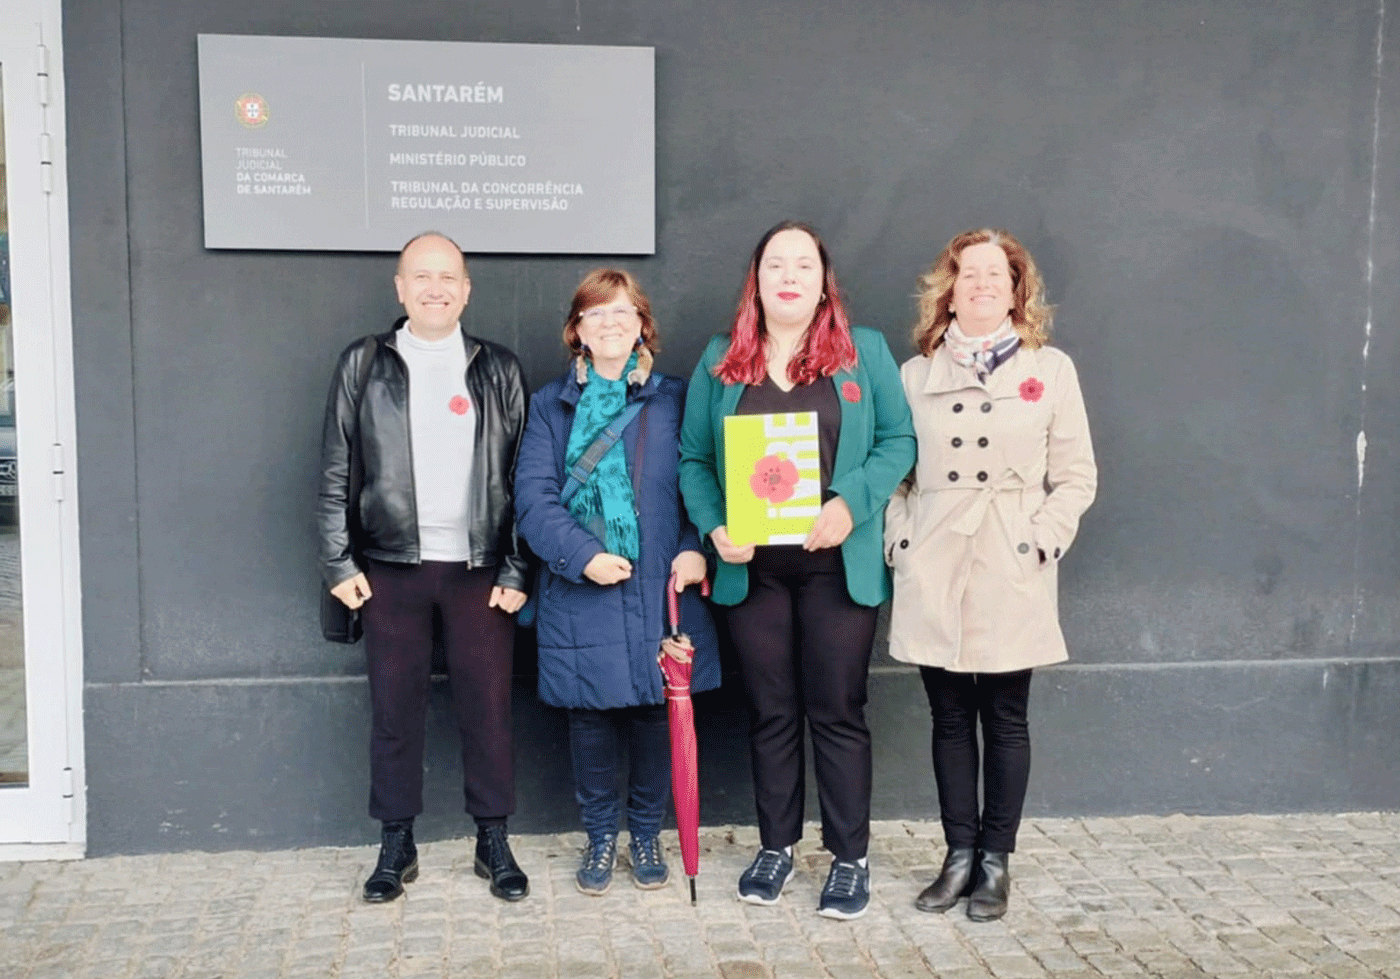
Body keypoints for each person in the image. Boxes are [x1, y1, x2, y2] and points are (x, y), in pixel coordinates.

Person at [679, 221, 915, 919]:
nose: (789, 276)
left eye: (803, 265)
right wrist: (715, 526)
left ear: (823, 281)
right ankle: (776, 846)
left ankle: (849, 858)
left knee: (837, 709)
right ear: (756, 280)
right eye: (775, 264)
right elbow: (694, 459)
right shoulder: (721, 359)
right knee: (771, 711)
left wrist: (851, 503)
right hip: (753, 572)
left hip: (837, 564)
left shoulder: (863, 351)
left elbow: (899, 440)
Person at [885, 228, 1097, 921]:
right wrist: (901, 539)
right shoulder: (914, 375)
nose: (980, 284)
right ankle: (958, 855)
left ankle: (996, 860)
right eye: (968, 274)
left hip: (1010, 555)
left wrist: (1042, 539)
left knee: (1005, 716)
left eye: (995, 275)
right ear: (947, 292)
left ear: (1015, 292)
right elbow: (894, 472)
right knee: (949, 716)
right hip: (936, 556)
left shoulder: (1051, 370)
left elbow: (1076, 475)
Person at [317, 231, 531, 904]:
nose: (435, 288)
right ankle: (395, 843)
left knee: (488, 709)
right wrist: (338, 560)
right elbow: (335, 470)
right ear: (400, 287)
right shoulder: (363, 363)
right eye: (421, 276)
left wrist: (517, 568)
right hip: (389, 568)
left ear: (465, 290)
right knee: (394, 711)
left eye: (447, 277)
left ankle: (493, 839)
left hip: (479, 569)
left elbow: (525, 478)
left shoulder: (498, 368)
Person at [514, 269, 720, 896]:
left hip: (661, 586)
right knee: (591, 719)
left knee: (657, 712)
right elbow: (534, 499)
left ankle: (647, 833)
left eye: (622, 311)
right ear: (577, 330)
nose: (610, 323)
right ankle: (602, 835)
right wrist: (583, 557)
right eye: (596, 313)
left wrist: (695, 548)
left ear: (642, 325)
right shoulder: (550, 405)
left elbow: (703, 478)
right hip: (582, 588)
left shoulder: (674, 398)